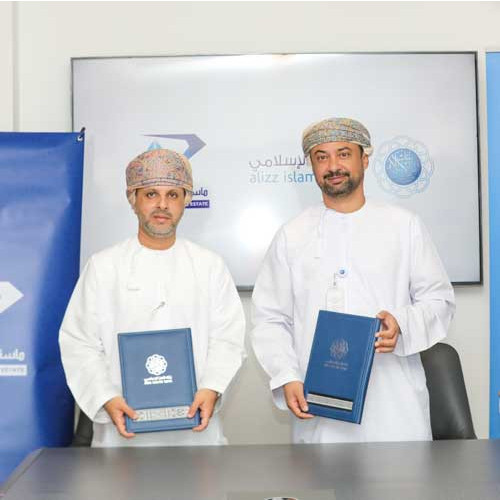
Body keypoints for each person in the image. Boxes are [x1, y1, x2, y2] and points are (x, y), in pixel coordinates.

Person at [251, 117, 455, 443]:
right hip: (319, 406)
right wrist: (286, 376)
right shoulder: (292, 235)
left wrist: (402, 324)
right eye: (322, 157)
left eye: (344, 154)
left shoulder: (404, 226)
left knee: (399, 475)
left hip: (393, 405)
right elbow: (270, 318)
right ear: (312, 166)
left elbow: (439, 300)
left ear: (365, 159)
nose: (333, 166)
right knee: (324, 475)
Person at [60, 148, 245, 447]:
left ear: (186, 200)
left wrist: (211, 388)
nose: (162, 205)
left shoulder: (209, 265)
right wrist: (106, 398)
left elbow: (228, 339)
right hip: (123, 433)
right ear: (133, 199)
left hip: (195, 432)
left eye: (173, 195)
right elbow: (79, 342)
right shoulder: (103, 266)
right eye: (150, 194)